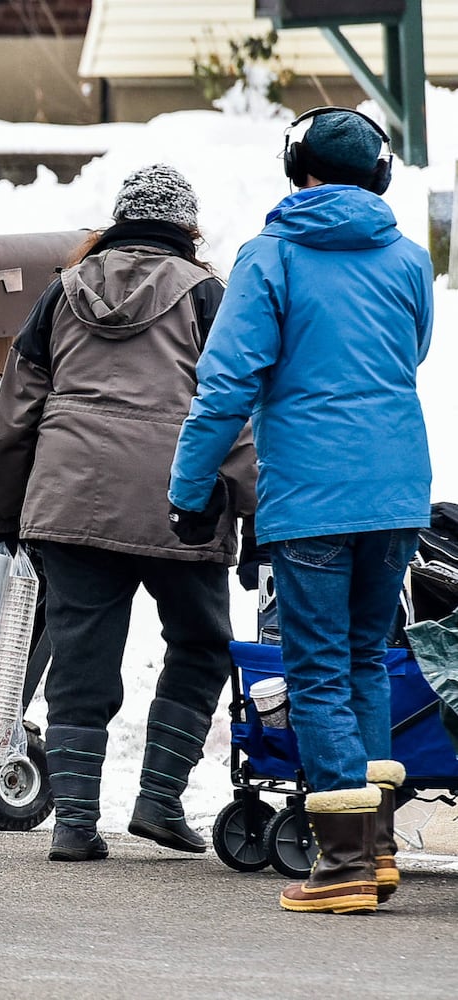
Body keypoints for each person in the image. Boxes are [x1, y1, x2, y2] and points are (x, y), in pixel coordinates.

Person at [170, 108, 432, 914]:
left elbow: (226, 383)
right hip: (394, 491)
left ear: (297, 171)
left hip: (311, 495)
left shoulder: (270, 258)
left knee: (314, 668)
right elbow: (410, 351)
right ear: (378, 175)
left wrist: (187, 489)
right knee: (362, 662)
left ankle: (342, 866)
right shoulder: (409, 259)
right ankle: (377, 848)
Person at [0, 164, 257, 864]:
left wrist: (1, 516)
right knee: (200, 645)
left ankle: (74, 823)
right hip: (178, 502)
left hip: (72, 500)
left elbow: (13, 417)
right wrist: (255, 513)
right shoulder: (207, 296)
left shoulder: (59, 295)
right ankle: (159, 801)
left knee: (80, 658)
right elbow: (229, 410)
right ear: (185, 229)